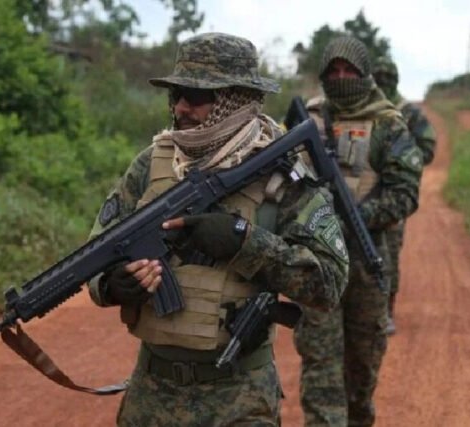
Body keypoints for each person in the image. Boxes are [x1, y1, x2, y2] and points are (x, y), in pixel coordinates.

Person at [86, 32, 349, 427]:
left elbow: (329, 283)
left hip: (239, 399)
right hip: (150, 396)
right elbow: (96, 251)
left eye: (198, 96)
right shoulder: (152, 163)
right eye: (177, 94)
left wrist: (245, 241)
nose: (182, 107)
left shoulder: (283, 173)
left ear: (236, 99)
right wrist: (112, 284)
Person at [295, 36, 423, 426]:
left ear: (364, 73)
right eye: (333, 70)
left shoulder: (387, 124)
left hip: (367, 262)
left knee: (362, 369)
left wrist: (358, 216)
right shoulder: (308, 121)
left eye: (348, 69)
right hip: (317, 263)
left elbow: (406, 194)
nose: (341, 76)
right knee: (320, 366)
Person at [372, 56, 437, 334]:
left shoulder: (407, 112)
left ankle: (386, 310)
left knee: (390, 254)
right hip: (362, 190)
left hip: (393, 196)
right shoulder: (366, 108)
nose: (384, 83)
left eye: (388, 78)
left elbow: (428, 147)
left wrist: (404, 164)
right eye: (380, 77)